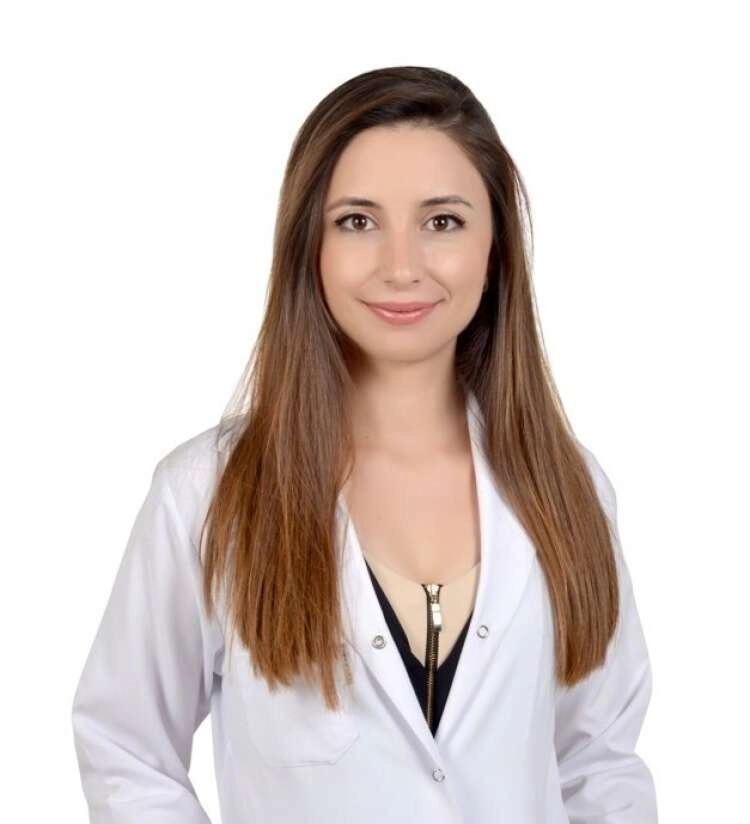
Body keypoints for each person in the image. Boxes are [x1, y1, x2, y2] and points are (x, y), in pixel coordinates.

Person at [71, 65, 658, 823]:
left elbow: (598, 763)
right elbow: (127, 751)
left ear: (496, 250)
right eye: (357, 221)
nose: (401, 267)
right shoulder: (206, 496)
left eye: (442, 222)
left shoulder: (568, 488)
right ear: (308, 246)